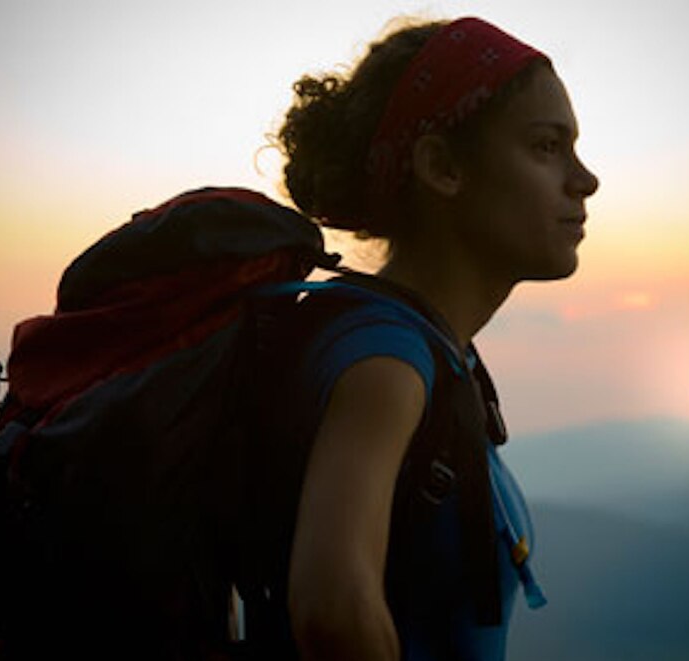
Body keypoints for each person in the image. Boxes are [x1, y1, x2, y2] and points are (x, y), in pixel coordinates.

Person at [253, 15, 599, 661]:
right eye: (547, 147)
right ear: (442, 166)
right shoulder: (388, 362)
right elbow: (332, 608)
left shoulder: (423, 346)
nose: (585, 179)